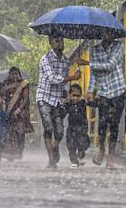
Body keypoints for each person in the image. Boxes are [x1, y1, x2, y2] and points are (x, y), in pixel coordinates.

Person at [76, 32, 126, 169]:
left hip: (118, 90)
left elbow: (110, 65)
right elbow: (94, 74)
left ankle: (110, 157)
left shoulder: (119, 46)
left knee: (114, 125)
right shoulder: (94, 50)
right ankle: (102, 149)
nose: (106, 35)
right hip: (103, 92)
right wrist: (91, 90)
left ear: (113, 33)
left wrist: (86, 63)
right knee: (102, 125)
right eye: (104, 31)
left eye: (109, 32)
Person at [36, 33, 82, 169]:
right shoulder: (45, 59)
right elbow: (52, 78)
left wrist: (67, 92)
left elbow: (66, 83)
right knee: (48, 127)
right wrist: (72, 77)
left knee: (60, 131)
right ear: (50, 42)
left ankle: (54, 147)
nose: (60, 43)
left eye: (62, 40)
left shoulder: (66, 61)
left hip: (57, 99)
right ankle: (51, 160)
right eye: (56, 40)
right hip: (44, 97)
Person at [0, 67, 33, 161]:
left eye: (16, 74)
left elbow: (25, 99)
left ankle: (19, 152)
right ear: (9, 75)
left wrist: (18, 110)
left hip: (20, 112)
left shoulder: (23, 84)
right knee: (9, 133)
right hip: (8, 111)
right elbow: (2, 97)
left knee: (19, 132)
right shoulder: (5, 84)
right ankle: (10, 155)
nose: (14, 76)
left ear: (19, 75)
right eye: (12, 74)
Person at [60, 84, 91, 169]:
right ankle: (74, 162)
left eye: (78, 96)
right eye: (74, 95)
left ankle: (81, 156)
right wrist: (62, 106)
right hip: (71, 129)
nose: (76, 98)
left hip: (82, 128)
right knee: (71, 146)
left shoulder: (82, 103)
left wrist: (92, 98)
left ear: (81, 96)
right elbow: (62, 114)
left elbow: (91, 103)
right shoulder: (68, 105)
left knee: (81, 146)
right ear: (70, 95)